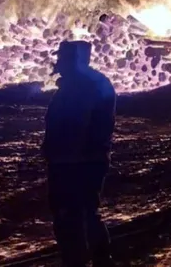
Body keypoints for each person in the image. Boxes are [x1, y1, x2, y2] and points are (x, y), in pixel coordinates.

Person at [43, 40, 117, 267]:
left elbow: (74, 126)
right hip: (83, 160)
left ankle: (76, 261)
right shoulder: (91, 83)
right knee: (87, 213)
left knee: (71, 216)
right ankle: (101, 260)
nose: (58, 63)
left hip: (74, 163)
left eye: (62, 58)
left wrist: (58, 153)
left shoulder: (81, 88)